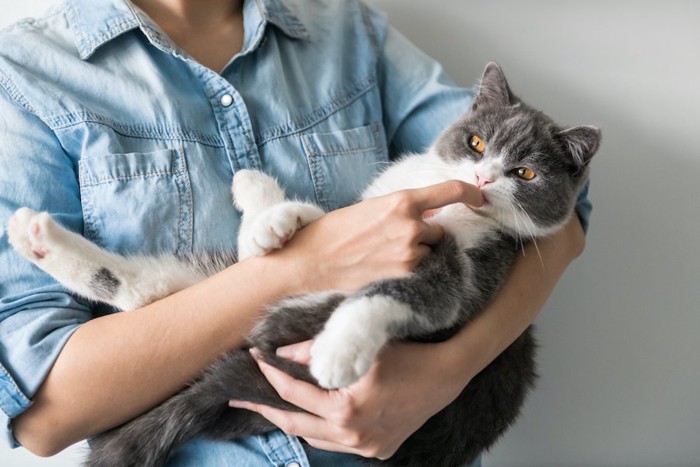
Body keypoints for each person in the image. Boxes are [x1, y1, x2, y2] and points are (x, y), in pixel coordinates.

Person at [0, 0, 590, 465]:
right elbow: (41, 414)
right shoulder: (27, 71)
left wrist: (449, 370)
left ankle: (137, 286)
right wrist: (303, 266)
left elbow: (566, 211)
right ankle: (129, 284)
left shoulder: (349, 31)